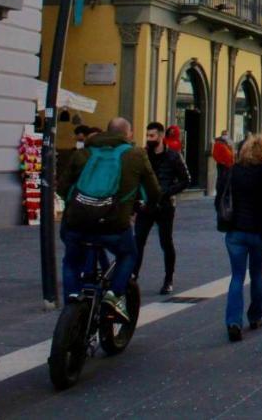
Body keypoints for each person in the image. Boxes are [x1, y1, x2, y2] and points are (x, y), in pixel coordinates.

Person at [58, 117, 159, 321]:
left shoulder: (83, 153)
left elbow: (62, 188)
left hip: (77, 223)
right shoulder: (136, 155)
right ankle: (114, 295)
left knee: (71, 261)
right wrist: (145, 205)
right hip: (114, 225)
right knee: (128, 254)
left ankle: (72, 299)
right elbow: (154, 191)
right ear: (128, 134)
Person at [216, 134, 262, 342]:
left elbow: (220, 198)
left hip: (236, 231)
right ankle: (256, 316)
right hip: (258, 232)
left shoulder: (233, 172)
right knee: (257, 273)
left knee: (237, 276)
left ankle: (233, 321)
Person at [135, 121, 190, 295]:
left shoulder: (173, 156)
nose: (148, 139)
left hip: (165, 206)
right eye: (147, 135)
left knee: (166, 242)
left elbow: (186, 180)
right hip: (146, 205)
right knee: (138, 242)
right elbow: (136, 179)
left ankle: (168, 279)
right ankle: (132, 276)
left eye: (152, 136)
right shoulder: (143, 155)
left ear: (160, 136)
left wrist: (167, 192)